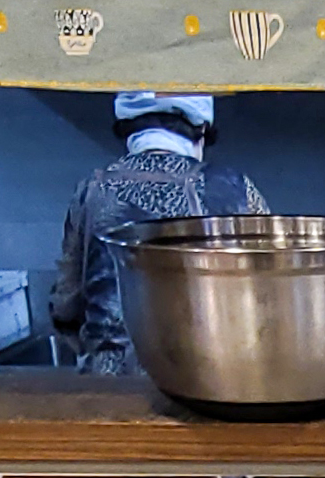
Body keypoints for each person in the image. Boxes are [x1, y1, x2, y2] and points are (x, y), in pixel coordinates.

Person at [50, 93, 267, 374]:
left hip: (112, 385)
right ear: (202, 129)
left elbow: (65, 304)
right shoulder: (238, 189)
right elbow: (268, 294)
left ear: (127, 128)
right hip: (215, 381)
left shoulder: (92, 190)